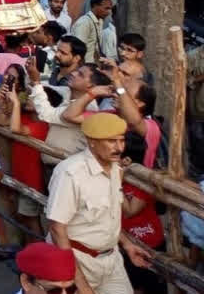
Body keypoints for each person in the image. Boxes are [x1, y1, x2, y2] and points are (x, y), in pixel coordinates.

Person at [46, 113, 150, 294]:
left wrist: (126, 244)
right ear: (91, 141)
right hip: (78, 261)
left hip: (112, 260)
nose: (119, 148)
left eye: (122, 141)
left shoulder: (116, 170)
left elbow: (108, 216)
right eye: (111, 141)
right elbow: (57, 229)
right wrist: (83, 286)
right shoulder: (70, 173)